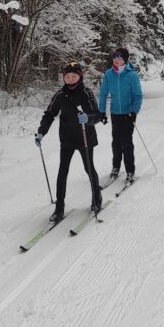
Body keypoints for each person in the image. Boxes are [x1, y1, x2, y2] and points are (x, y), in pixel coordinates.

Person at [35, 61, 106, 222]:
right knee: (62, 172)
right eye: (67, 76)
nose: (71, 79)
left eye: (74, 76)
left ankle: (97, 197)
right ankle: (59, 207)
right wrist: (41, 132)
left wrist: (88, 118)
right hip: (67, 139)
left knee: (89, 168)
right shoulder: (60, 95)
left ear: (79, 77)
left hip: (85, 137)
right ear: (64, 78)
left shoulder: (86, 93)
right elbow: (49, 114)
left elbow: (98, 115)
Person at [98, 47, 143, 183]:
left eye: (120, 57)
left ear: (125, 59)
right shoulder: (109, 74)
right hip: (115, 113)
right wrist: (102, 112)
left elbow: (138, 96)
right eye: (115, 57)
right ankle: (116, 167)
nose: (117, 60)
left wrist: (134, 111)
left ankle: (130, 170)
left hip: (128, 114)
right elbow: (103, 94)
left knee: (127, 143)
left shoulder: (132, 75)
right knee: (116, 142)